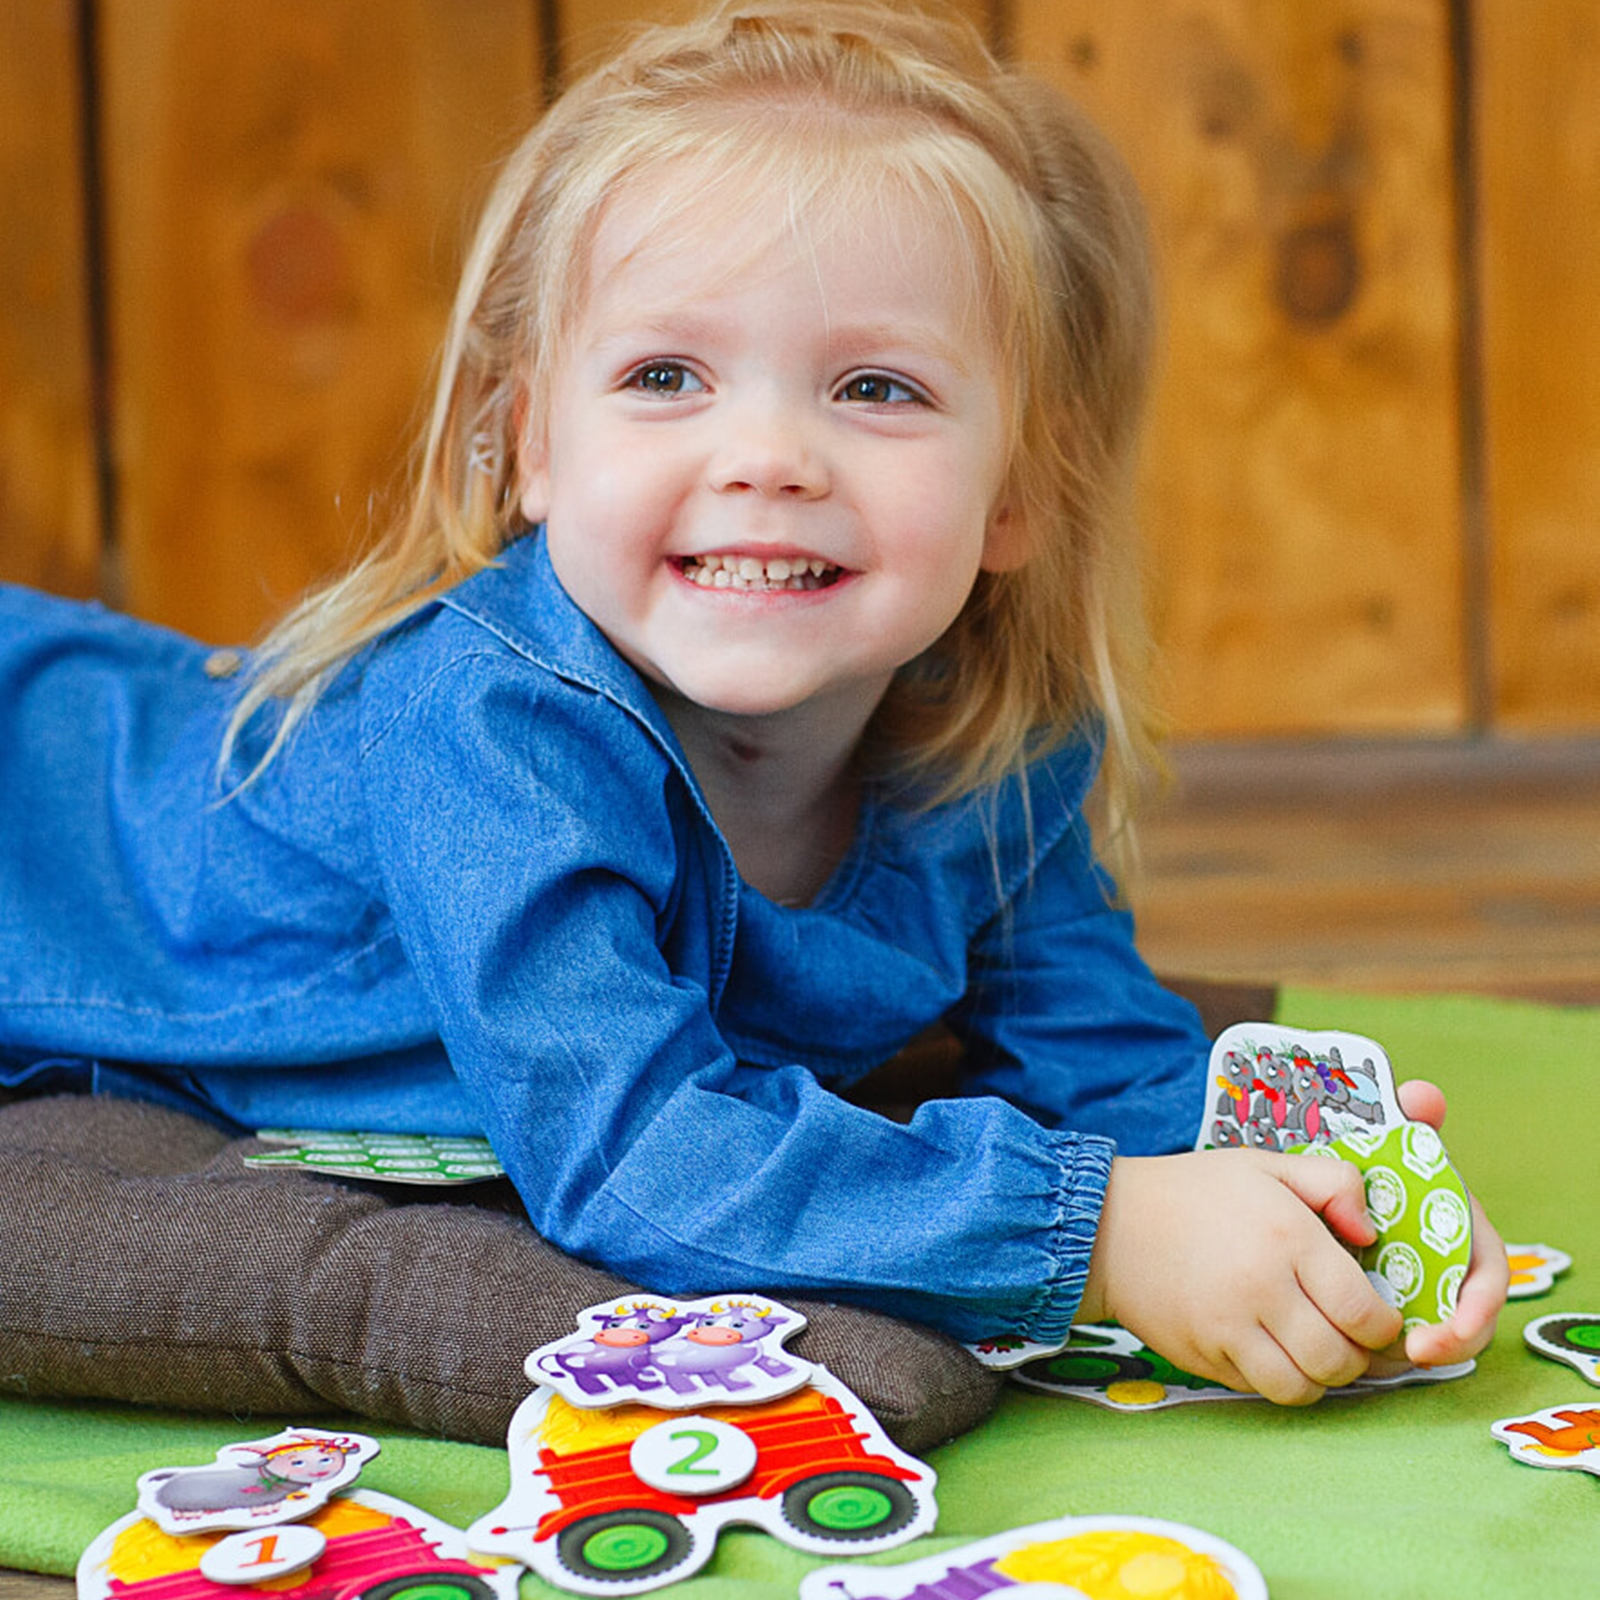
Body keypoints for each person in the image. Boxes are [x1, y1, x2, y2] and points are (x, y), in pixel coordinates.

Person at [0, 0, 1504, 1407]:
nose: (769, 453)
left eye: (877, 390)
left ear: (1019, 494)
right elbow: (638, 1154)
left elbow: (1096, 1051)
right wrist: (1095, 1235)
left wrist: (1308, 1184)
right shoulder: (491, 726)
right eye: (666, 374)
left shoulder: (999, 740)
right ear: (532, 451)